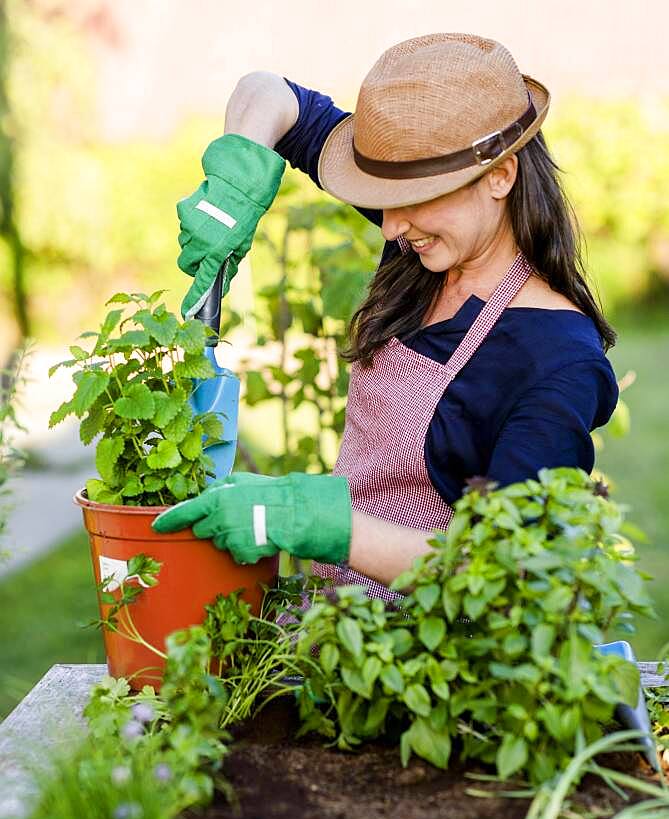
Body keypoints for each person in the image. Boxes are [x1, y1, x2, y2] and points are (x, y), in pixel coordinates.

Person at [153, 33, 619, 602]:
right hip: (332, 631)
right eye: (383, 197)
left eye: (414, 199)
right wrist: (235, 179)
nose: (392, 226)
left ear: (501, 176)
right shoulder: (431, 242)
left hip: (428, 671)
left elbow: (505, 574)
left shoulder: (557, 358)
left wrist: (322, 523)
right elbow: (269, 94)